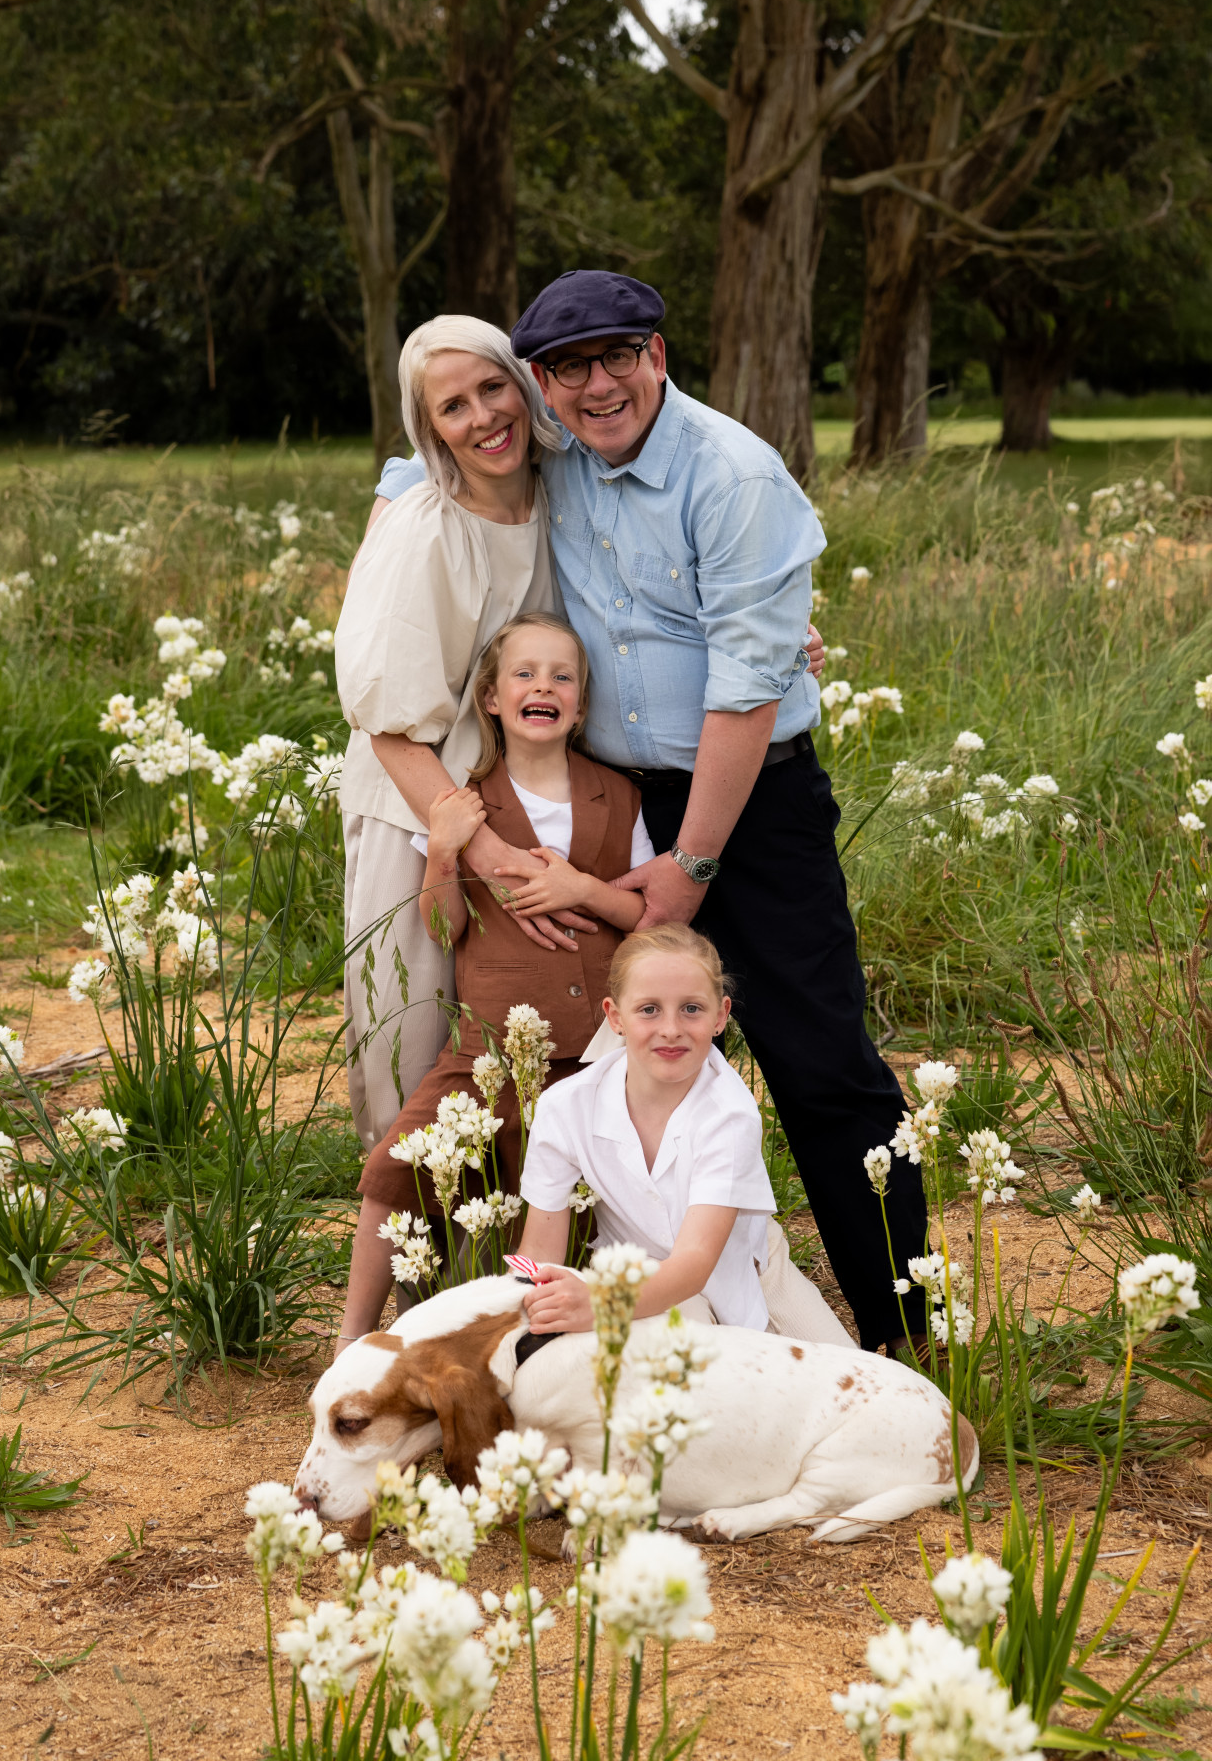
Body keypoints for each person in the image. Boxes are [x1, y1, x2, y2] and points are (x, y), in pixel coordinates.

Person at [371, 270, 928, 1355]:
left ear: (658, 354)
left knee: (817, 1062)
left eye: (617, 355)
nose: (597, 384)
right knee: (585, 1057)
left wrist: (692, 864)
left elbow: (744, 693)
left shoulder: (731, 476)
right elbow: (441, 447)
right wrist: (397, 489)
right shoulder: (560, 450)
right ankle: (545, 1318)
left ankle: (905, 1332)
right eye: (569, 369)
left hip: (742, 805)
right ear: (544, 386)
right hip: (603, 796)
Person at [333, 611, 654, 1353]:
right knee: (393, 1168)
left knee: (564, 1198)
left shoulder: (618, 796)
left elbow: (644, 915)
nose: (544, 685)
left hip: (598, 1054)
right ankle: (351, 1338)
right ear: (491, 698)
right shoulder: (465, 803)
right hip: (487, 1052)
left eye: (562, 676)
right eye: (525, 674)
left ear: (579, 704)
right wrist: (443, 854)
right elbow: (442, 930)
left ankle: (536, 1337)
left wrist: (582, 889)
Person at [333, 315, 568, 1152]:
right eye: (453, 405)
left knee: (522, 1050)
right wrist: (480, 852)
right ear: (428, 426)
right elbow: (390, 726)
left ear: (524, 382)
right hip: (419, 811)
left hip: (525, 807)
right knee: (414, 1042)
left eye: (492, 387)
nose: (482, 417)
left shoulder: (566, 496)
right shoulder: (425, 527)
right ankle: (417, 1268)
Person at [516, 923, 854, 1344]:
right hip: (632, 1278)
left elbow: (695, 1262)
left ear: (721, 1016)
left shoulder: (730, 1112)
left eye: (692, 1008)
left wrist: (601, 1303)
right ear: (615, 1017)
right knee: (686, 1376)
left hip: (745, 1267)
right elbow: (538, 1250)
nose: (671, 1029)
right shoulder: (564, 1107)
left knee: (862, 1388)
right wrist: (526, 1314)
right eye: (649, 1009)